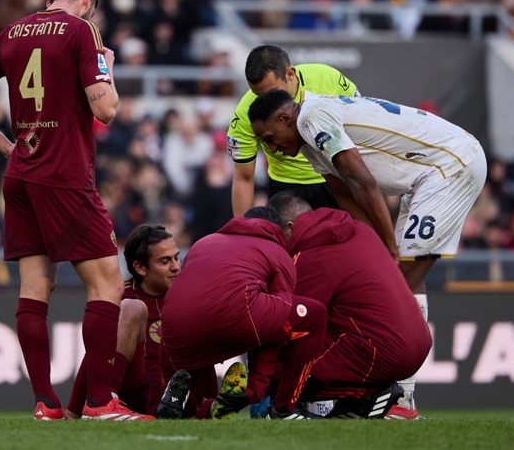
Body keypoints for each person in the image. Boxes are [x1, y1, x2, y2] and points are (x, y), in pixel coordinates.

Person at [0, 0, 152, 421]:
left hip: (21, 175)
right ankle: (101, 402)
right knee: (105, 282)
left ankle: (46, 402)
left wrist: (8, 147)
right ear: (86, 1)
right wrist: (109, 67)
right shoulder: (83, 31)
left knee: (34, 287)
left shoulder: (13, 32)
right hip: (63, 175)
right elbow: (107, 109)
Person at [249, 89, 486, 419]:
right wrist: (372, 247)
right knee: (394, 274)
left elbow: (365, 183)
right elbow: (346, 195)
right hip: (424, 177)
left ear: (286, 118)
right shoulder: (310, 144)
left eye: (271, 138)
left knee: (404, 274)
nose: (271, 148)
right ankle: (383, 395)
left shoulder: (311, 119)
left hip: (450, 165)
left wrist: (387, 249)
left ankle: (402, 399)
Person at [267, 193, 432, 419]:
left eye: (277, 238)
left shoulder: (310, 254)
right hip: (415, 341)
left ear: (290, 226)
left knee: (271, 371)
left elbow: (289, 324)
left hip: (382, 350)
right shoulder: (359, 229)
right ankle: (362, 400)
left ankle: (370, 394)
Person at [157, 207, 328, 420]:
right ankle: (284, 408)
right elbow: (276, 319)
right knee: (316, 315)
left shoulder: (204, 242)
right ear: (279, 230)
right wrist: (255, 391)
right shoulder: (277, 252)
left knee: (187, 409)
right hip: (238, 316)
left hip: (174, 327)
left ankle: (190, 407)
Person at [227, 44, 360, 216]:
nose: (267, 101)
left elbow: (360, 127)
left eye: (272, 91)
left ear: (290, 74)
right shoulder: (245, 113)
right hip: (285, 188)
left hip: (337, 181)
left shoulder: (328, 79)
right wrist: (243, 233)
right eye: (258, 95)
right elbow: (243, 178)